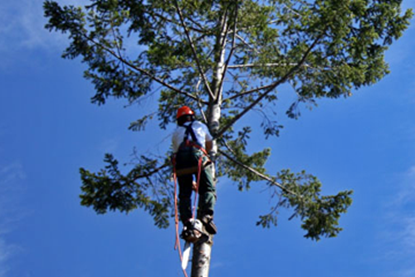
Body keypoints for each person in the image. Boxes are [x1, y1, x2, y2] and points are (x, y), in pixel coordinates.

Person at [172, 106, 217, 238]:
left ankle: (187, 220)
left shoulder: (176, 132)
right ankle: (207, 215)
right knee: (208, 188)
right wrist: (206, 155)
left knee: (185, 194)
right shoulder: (200, 125)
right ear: (191, 116)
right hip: (198, 155)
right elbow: (210, 144)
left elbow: (176, 153)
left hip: (181, 161)